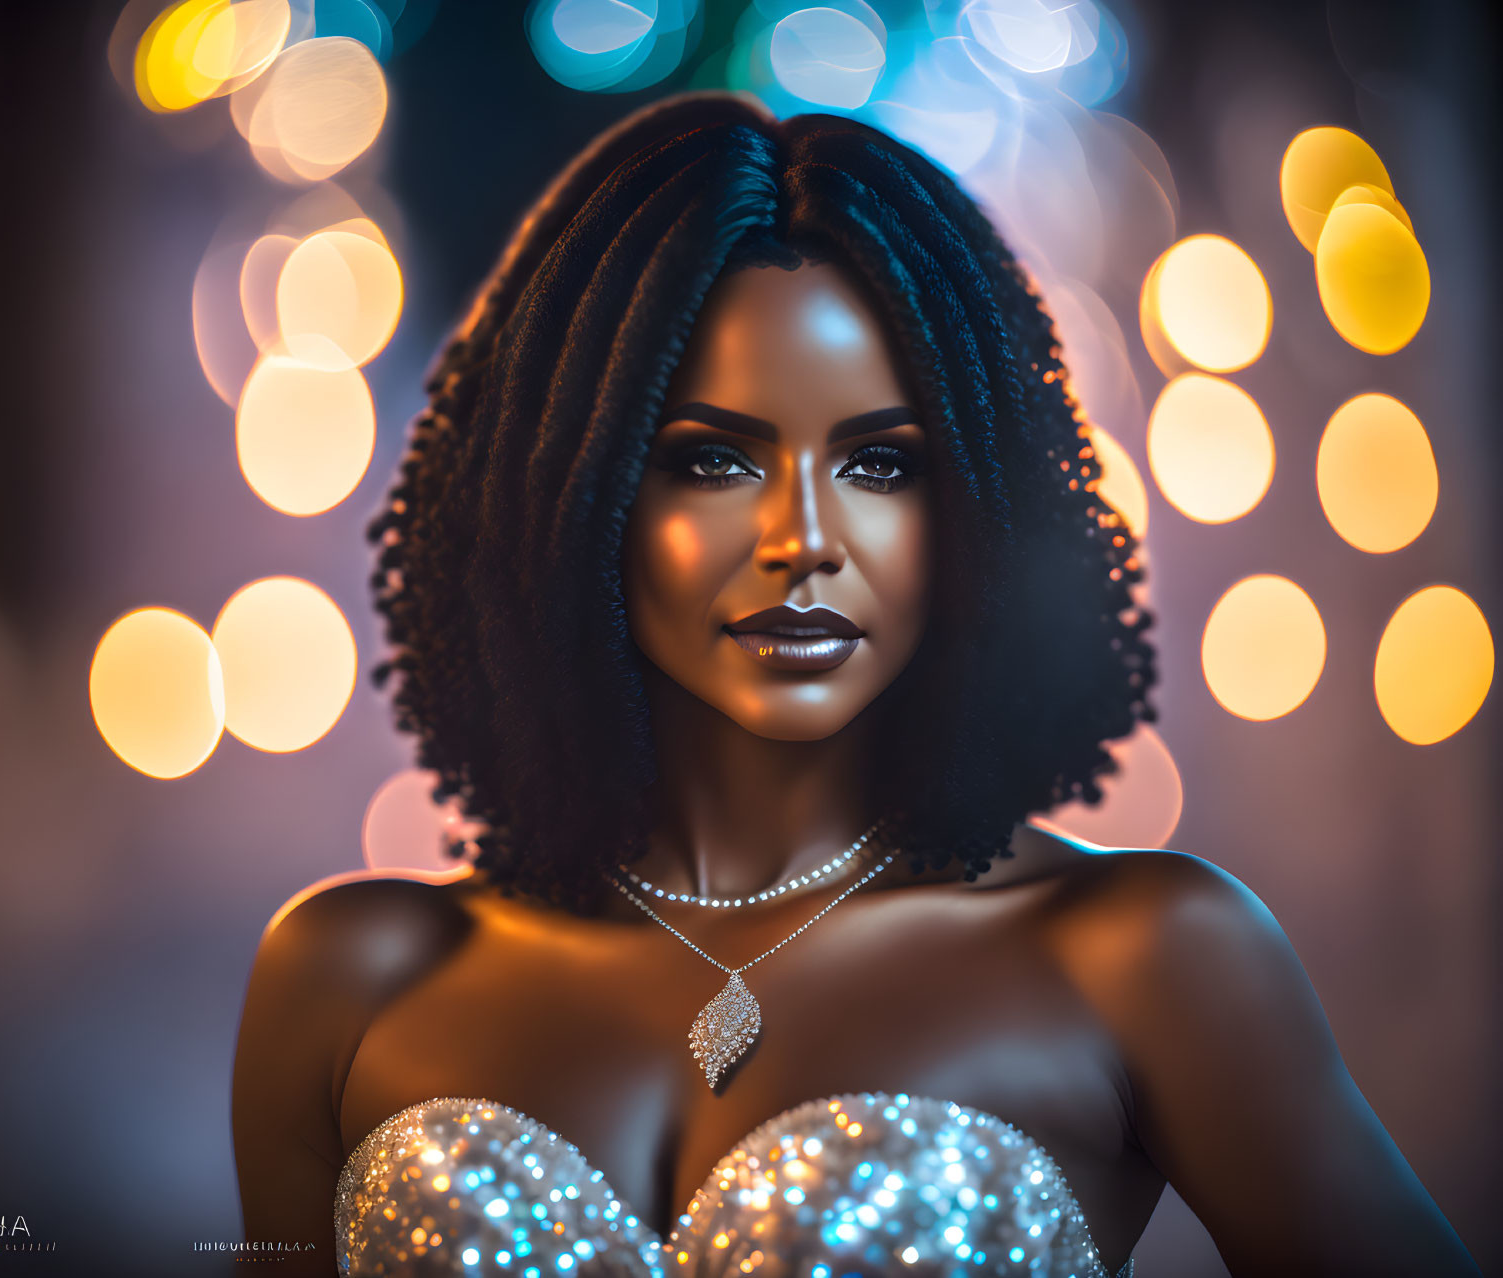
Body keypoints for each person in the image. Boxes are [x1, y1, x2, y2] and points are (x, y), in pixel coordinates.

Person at [231, 93, 1479, 1276]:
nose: (804, 538)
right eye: (713, 460)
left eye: (882, 466)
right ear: (567, 496)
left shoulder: (1142, 958)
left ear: (981, 506)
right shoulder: (349, 976)